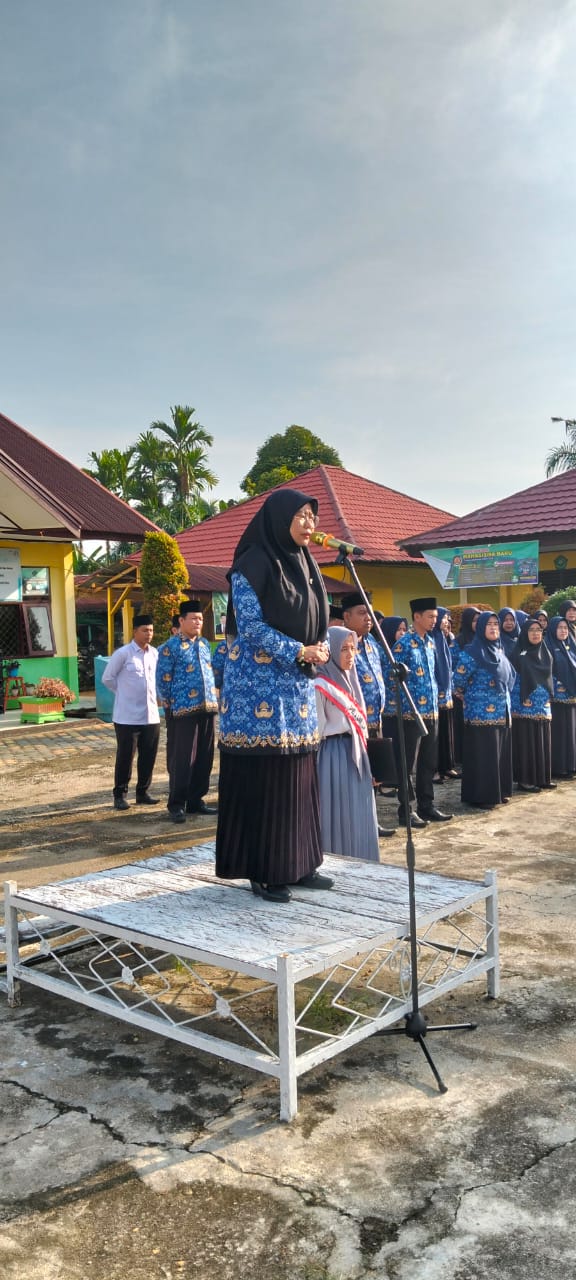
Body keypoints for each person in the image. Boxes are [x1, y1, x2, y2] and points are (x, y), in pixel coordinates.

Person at [215, 489, 333, 903]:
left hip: (297, 690)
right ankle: (264, 869)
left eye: (311, 517)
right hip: (256, 694)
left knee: (298, 776)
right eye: (300, 515)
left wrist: (321, 645)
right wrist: (299, 650)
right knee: (267, 777)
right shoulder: (252, 563)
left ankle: (300, 863)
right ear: (279, 518)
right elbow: (250, 626)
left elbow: (316, 618)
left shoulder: (306, 564)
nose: (309, 524)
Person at [315, 627, 380, 860]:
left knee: (359, 811)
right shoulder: (320, 684)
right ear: (330, 651)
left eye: (353, 648)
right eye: (343, 649)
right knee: (338, 811)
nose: (350, 654)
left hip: (356, 752)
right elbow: (318, 729)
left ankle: (362, 857)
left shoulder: (351, 681)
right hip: (333, 754)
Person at [390, 597, 453, 827]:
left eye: (436, 617)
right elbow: (392, 678)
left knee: (429, 762)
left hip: (432, 711)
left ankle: (426, 806)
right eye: (430, 616)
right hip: (411, 712)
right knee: (407, 763)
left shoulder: (431, 643)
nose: (434, 621)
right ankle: (405, 810)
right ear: (416, 617)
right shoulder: (403, 645)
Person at [156, 600, 219, 823]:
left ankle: (196, 800)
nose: (198, 622)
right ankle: (177, 804)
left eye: (200, 619)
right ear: (181, 621)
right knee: (182, 758)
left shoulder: (203, 645)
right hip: (182, 709)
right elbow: (163, 679)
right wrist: (168, 703)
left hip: (208, 707)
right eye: (193, 618)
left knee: (205, 756)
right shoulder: (169, 647)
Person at [341, 592, 395, 835]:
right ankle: (356, 823)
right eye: (362, 613)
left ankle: (371, 821)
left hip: (375, 720)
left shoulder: (372, 644)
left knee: (373, 774)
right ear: (346, 616)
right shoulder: (342, 644)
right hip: (352, 722)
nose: (368, 618)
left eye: (370, 613)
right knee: (356, 773)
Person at [452, 611, 515, 808]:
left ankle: (498, 792)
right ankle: (481, 796)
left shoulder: (499, 650)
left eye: (496, 624)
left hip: (501, 711)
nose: (494, 627)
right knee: (483, 755)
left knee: (498, 754)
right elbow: (458, 681)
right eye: (488, 624)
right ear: (480, 628)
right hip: (480, 714)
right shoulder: (472, 652)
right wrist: (468, 695)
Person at [102, 613, 160, 811]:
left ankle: (143, 792)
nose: (148, 634)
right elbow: (108, 678)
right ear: (135, 631)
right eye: (144, 630)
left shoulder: (154, 653)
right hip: (127, 716)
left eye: (151, 630)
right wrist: (124, 692)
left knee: (149, 755)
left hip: (151, 715)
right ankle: (120, 794)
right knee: (126, 756)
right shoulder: (123, 654)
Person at [510, 618, 555, 793]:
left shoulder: (546, 652)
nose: (536, 633)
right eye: (531, 630)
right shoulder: (517, 653)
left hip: (542, 706)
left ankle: (542, 778)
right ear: (524, 633)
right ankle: (526, 780)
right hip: (524, 706)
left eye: (538, 630)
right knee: (527, 742)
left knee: (542, 741)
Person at [547, 616, 576, 779]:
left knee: (571, 732)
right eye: (560, 627)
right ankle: (559, 768)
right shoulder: (548, 646)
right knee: (559, 733)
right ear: (553, 629)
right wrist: (558, 684)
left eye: (566, 627)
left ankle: (571, 765)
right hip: (556, 699)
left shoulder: (572, 645)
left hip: (572, 698)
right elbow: (546, 671)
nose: (563, 630)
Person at [432, 607, 458, 781]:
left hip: (446, 695)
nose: (446, 622)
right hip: (434, 696)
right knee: (435, 737)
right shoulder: (432, 639)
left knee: (446, 732)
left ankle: (446, 766)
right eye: (444, 618)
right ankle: (435, 769)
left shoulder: (443, 638)